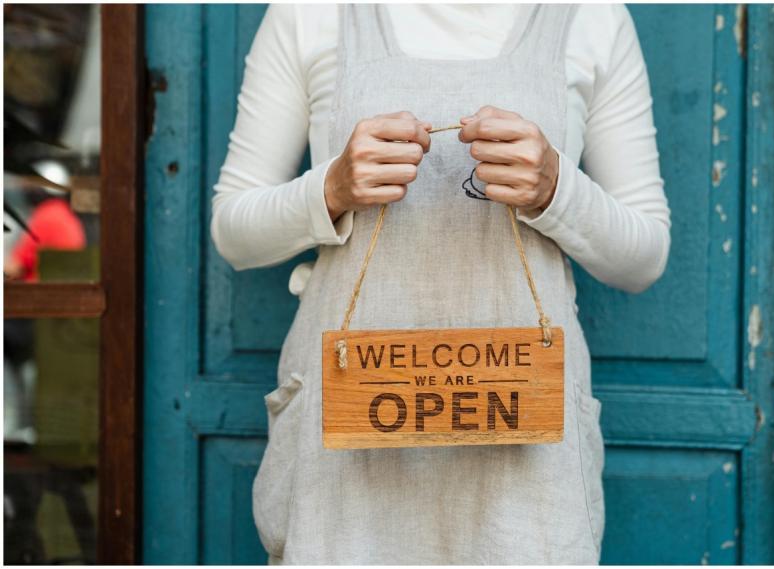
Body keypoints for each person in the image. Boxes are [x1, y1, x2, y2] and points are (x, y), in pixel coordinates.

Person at [211, 4, 671, 564]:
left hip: (524, 442)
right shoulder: (312, 13)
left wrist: (557, 190)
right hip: (350, 432)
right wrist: (331, 188)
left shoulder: (590, 18)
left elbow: (643, 257)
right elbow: (233, 232)